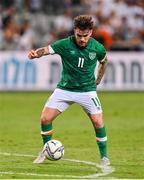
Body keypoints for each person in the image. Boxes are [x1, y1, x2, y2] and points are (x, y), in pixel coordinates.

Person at [28, 15, 110, 166]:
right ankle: (46, 150)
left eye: (85, 36)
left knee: (98, 122)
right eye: (79, 35)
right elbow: (46, 50)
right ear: (75, 31)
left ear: (91, 32)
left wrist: (98, 79)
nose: (82, 39)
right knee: (45, 119)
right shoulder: (65, 44)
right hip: (65, 89)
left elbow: (104, 61)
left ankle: (104, 158)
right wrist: (35, 54)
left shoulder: (98, 48)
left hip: (87, 90)